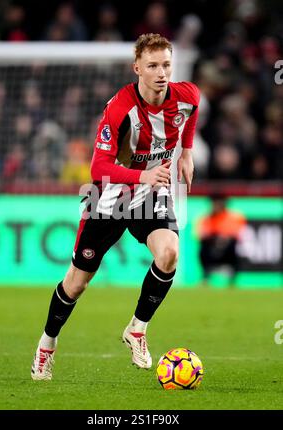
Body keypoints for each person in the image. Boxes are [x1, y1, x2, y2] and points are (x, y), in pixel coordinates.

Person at [31, 33, 200, 380]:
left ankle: (137, 328)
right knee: (76, 284)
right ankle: (47, 345)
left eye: (166, 64)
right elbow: (99, 168)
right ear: (137, 67)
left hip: (152, 194)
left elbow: (192, 114)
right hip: (109, 199)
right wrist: (144, 175)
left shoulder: (187, 95)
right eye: (152, 65)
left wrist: (188, 152)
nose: (161, 72)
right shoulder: (120, 107)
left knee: (169, 254)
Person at [197, 193, 246, 286]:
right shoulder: (206, 218)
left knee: (236, 246)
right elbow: (201, 235)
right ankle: (206, 275)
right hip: (211, 250)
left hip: (228, 251)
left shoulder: (234, 217)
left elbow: (237, 234)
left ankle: (232, 277)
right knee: (203, 247)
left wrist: (223, 238)